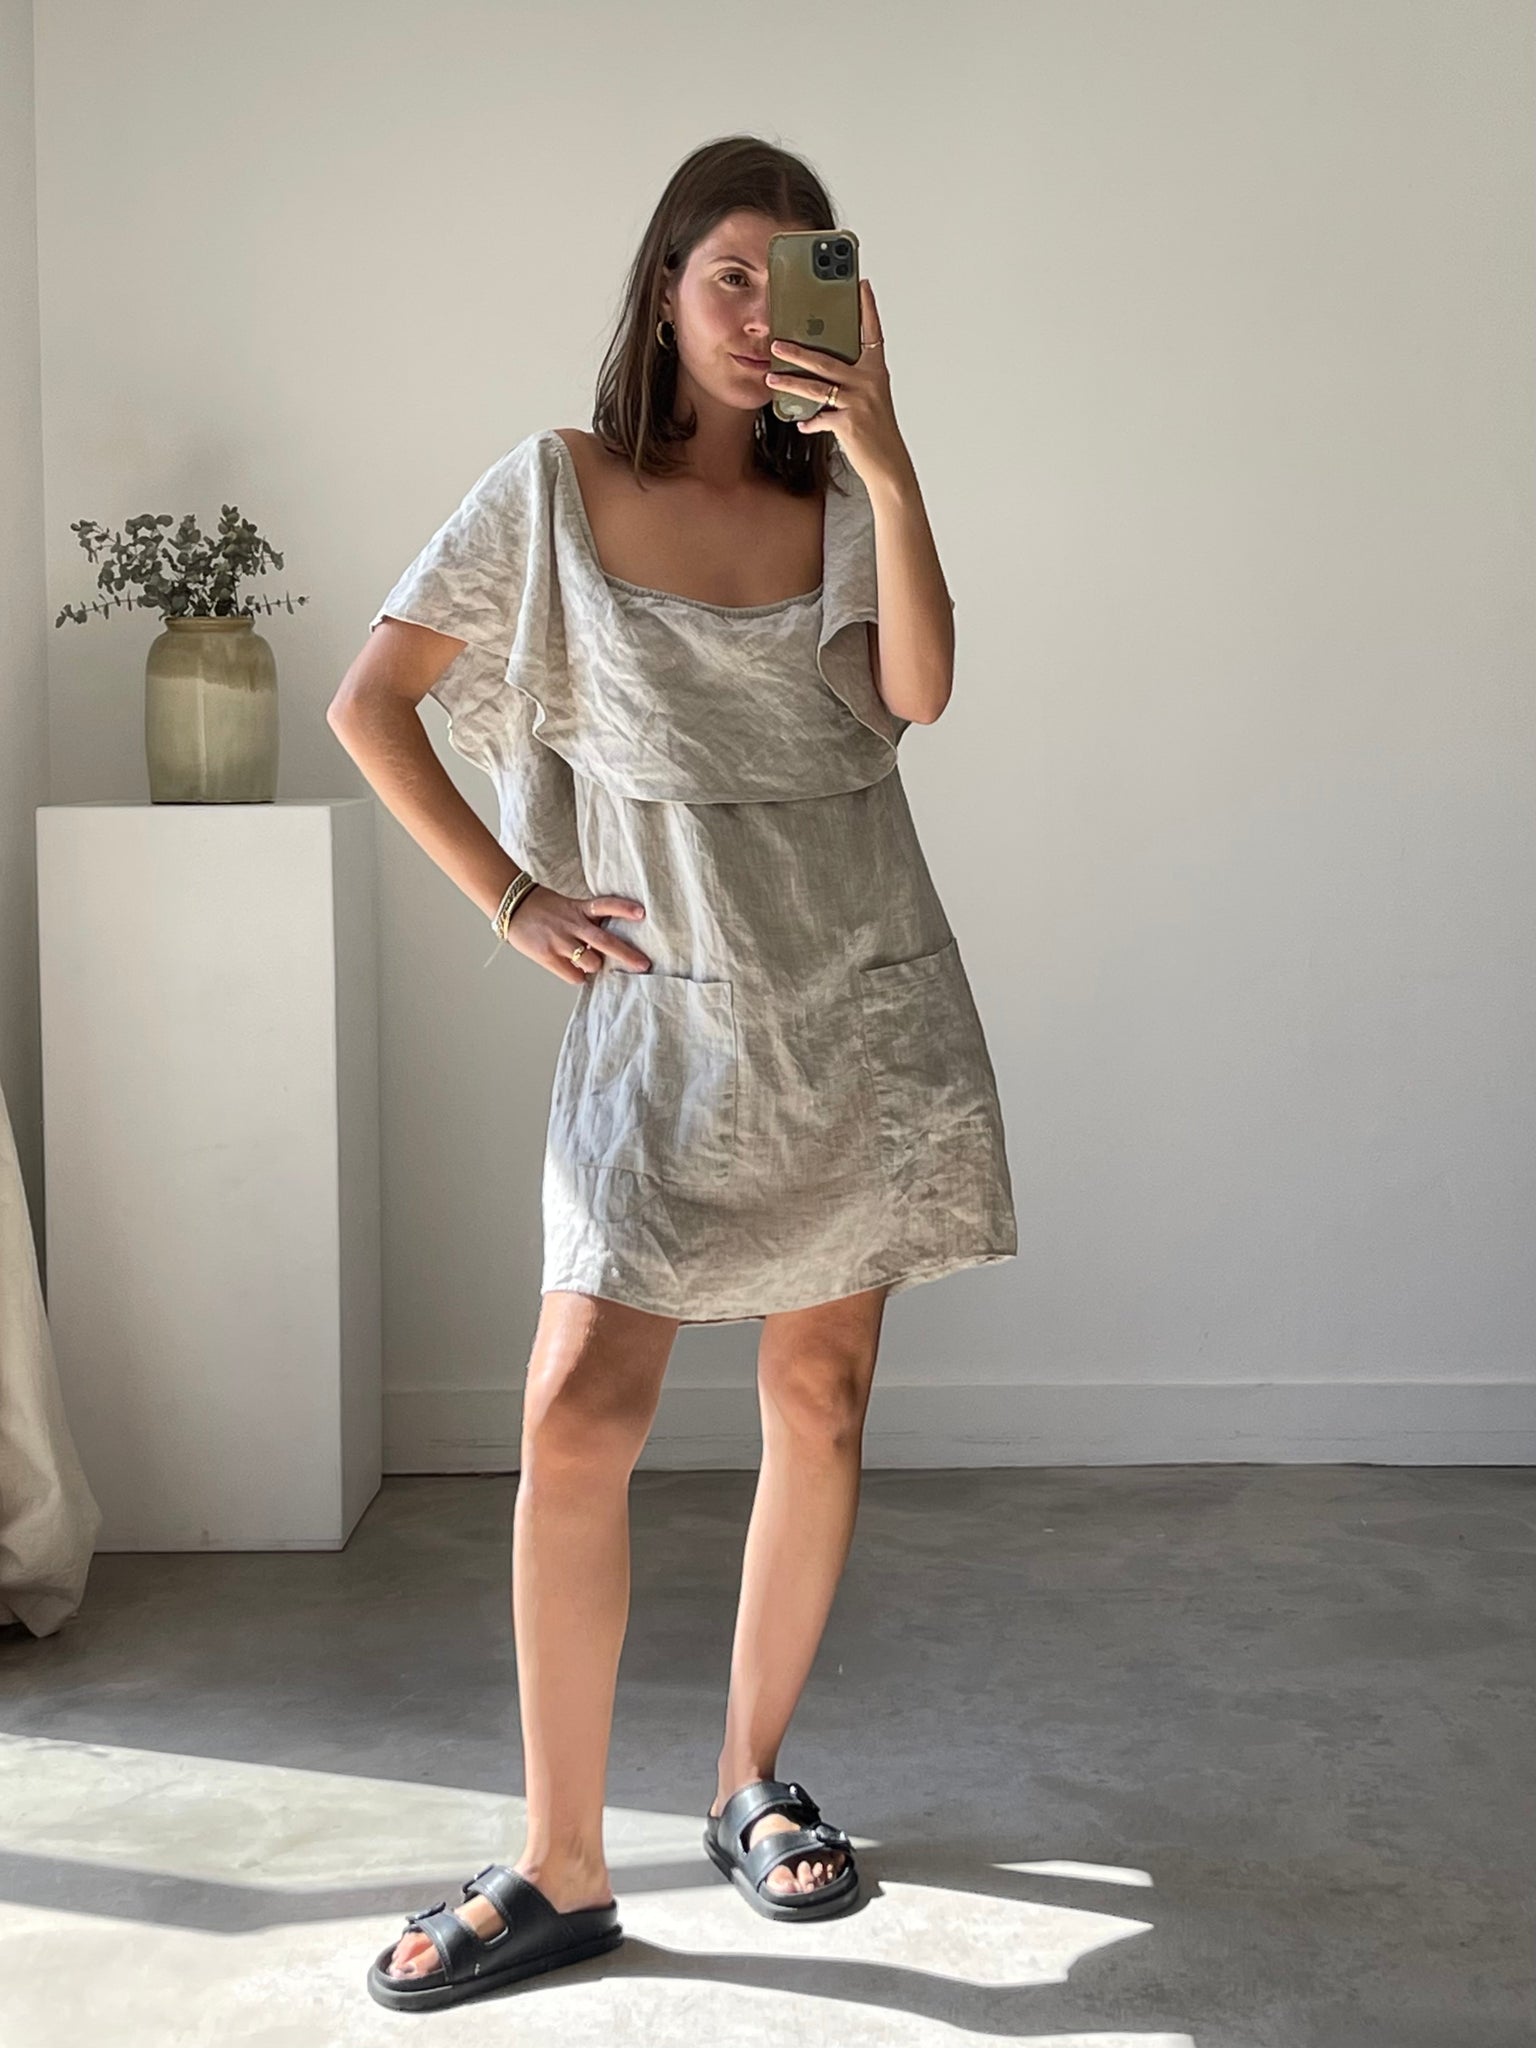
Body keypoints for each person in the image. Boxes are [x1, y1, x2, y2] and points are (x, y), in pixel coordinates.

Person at [330, 134, 1017, 2016]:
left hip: (860, 1002)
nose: (757, 313)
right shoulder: (554, 489)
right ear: (662, 287)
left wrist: (888, 453)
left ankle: (748, 1782)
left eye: (796, 279)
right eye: (730, 274)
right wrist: (511, 896)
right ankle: (560, 1861)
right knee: (575, 1408)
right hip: (668, 1015)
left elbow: (922, 694)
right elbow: (371, 700)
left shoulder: (845, 494)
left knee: (822, 1395)